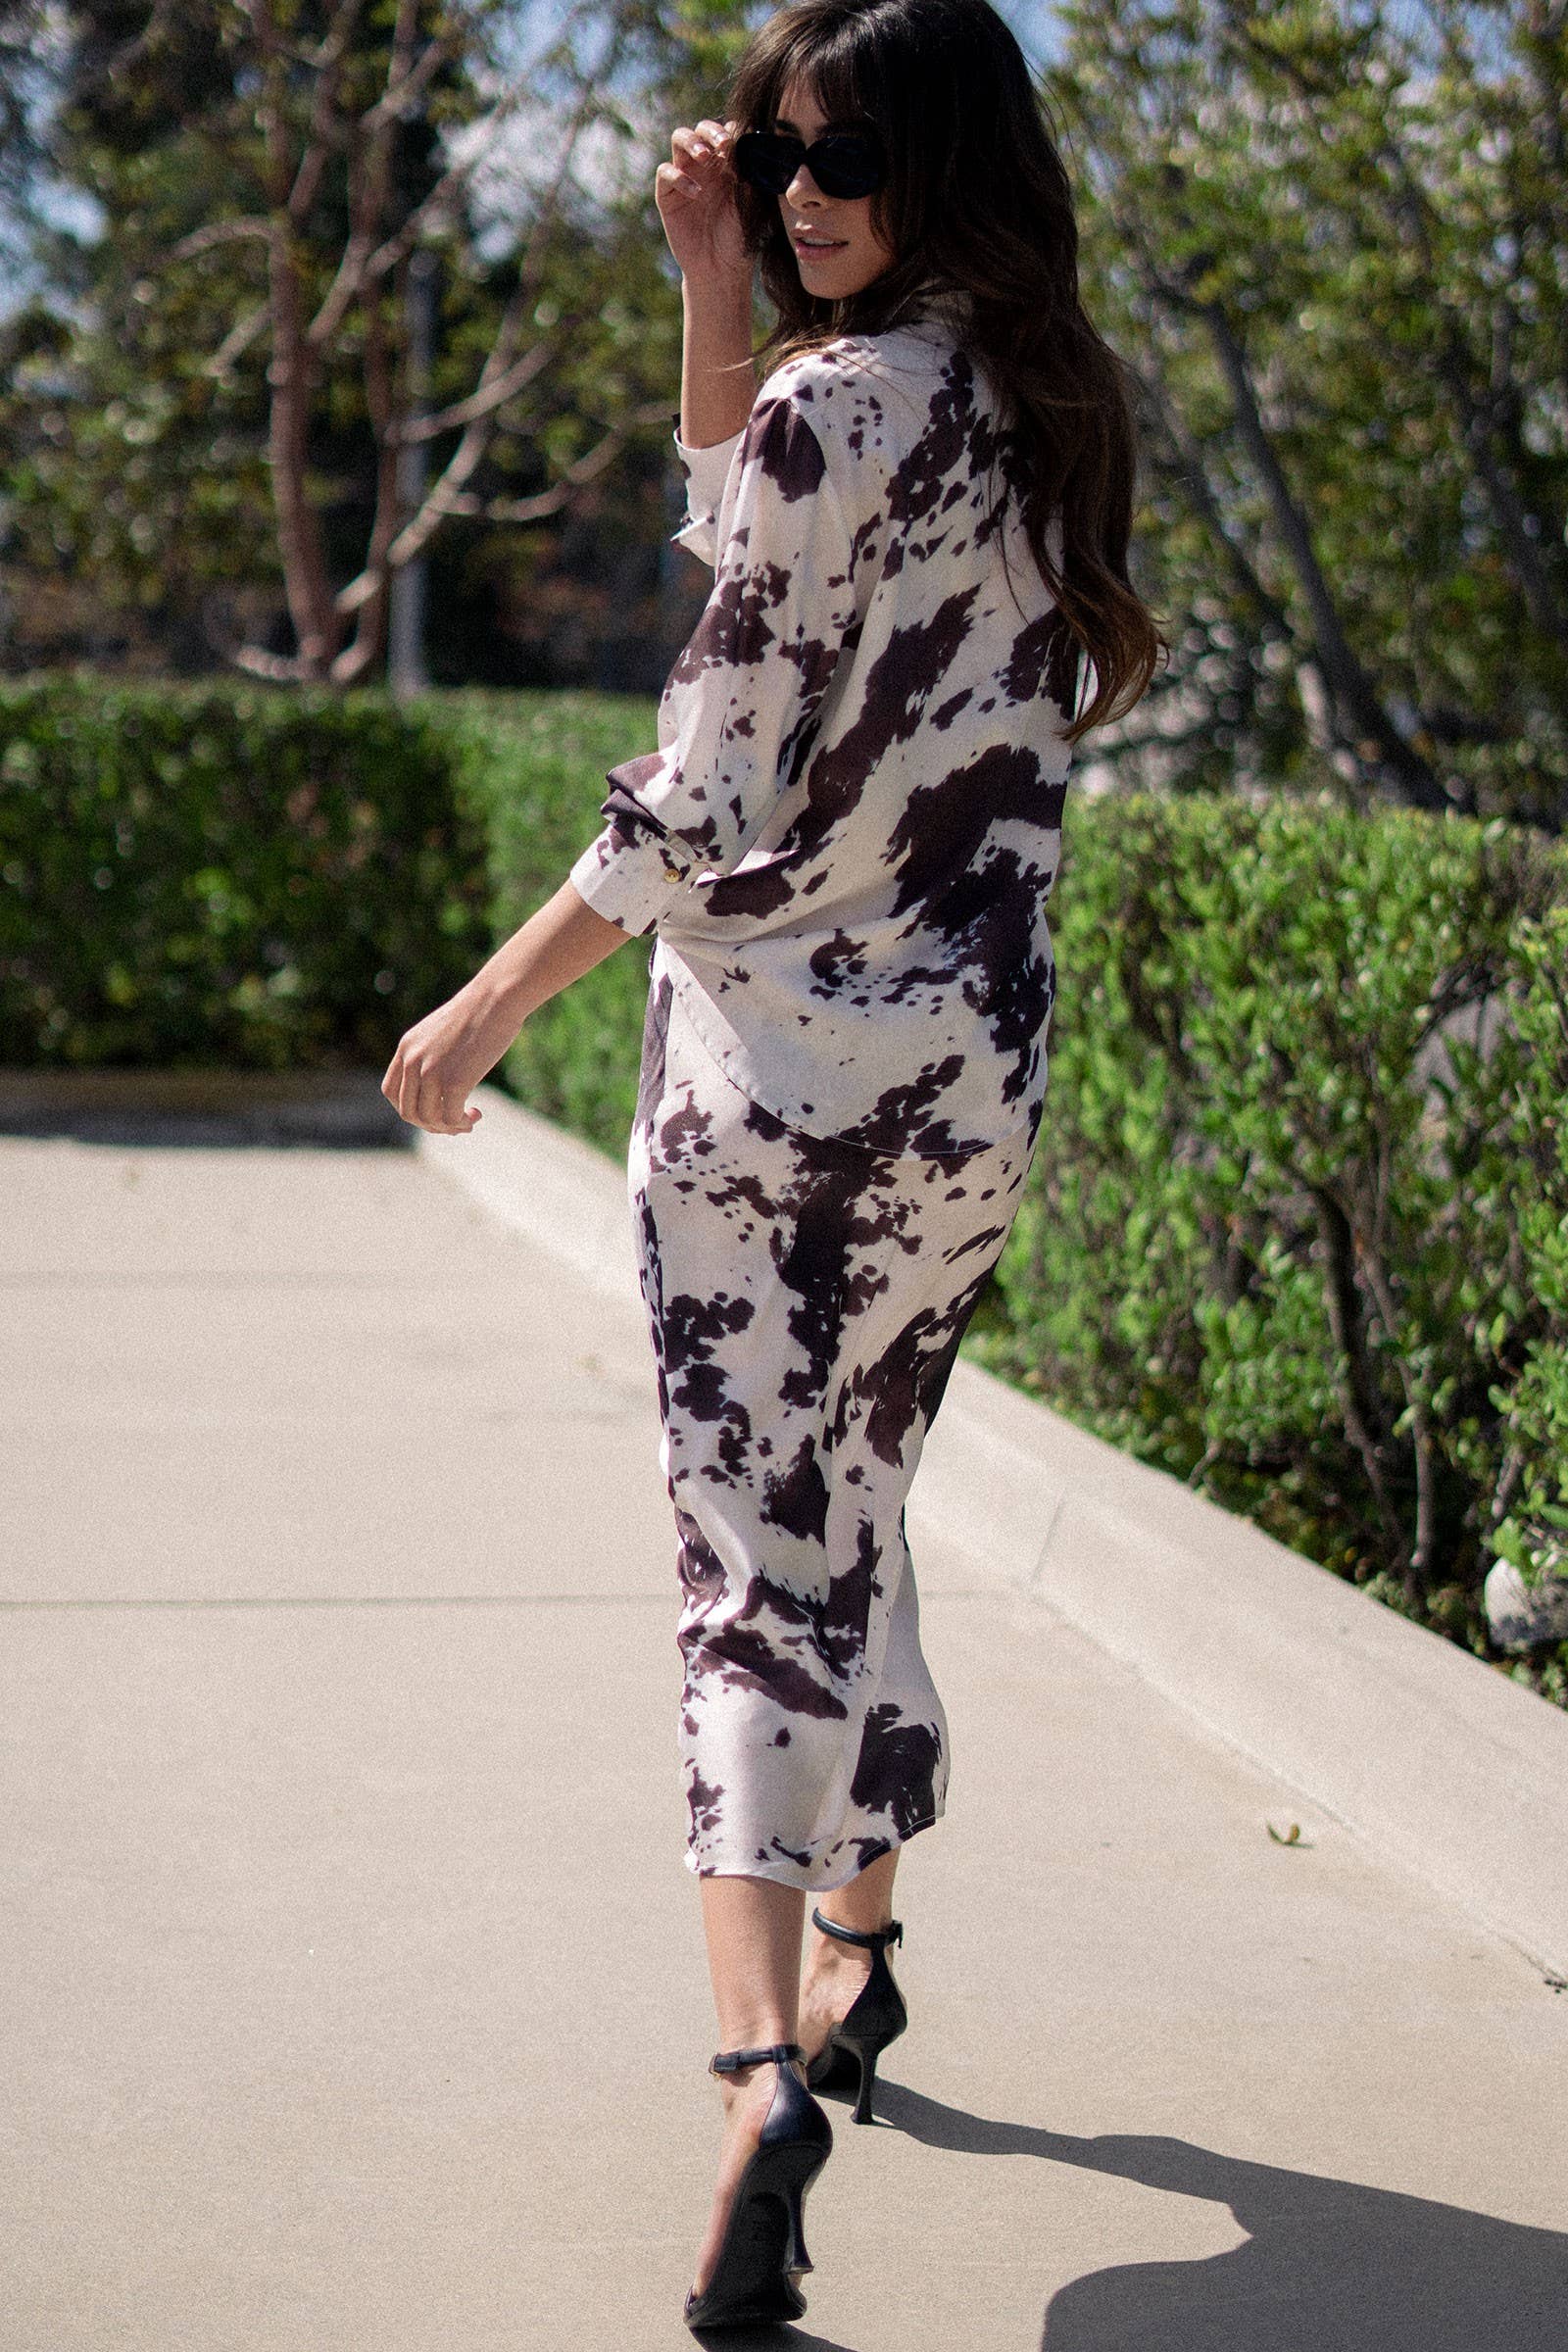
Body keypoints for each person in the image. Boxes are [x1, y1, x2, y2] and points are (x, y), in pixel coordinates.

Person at [382, 0, 1164, 2328]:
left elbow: (702, 769)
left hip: (759, 1096)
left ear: (942, 167)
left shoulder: (843, 410)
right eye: (783, 152)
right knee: (856, 1495)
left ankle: (752, 2089)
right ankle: (859, 1946)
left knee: (751, 1557)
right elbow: (767, 528)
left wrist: (482, 1009)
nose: (808, 190)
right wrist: (716, 288)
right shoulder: (1052, 409)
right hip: (966, 1093)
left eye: (847, 159)